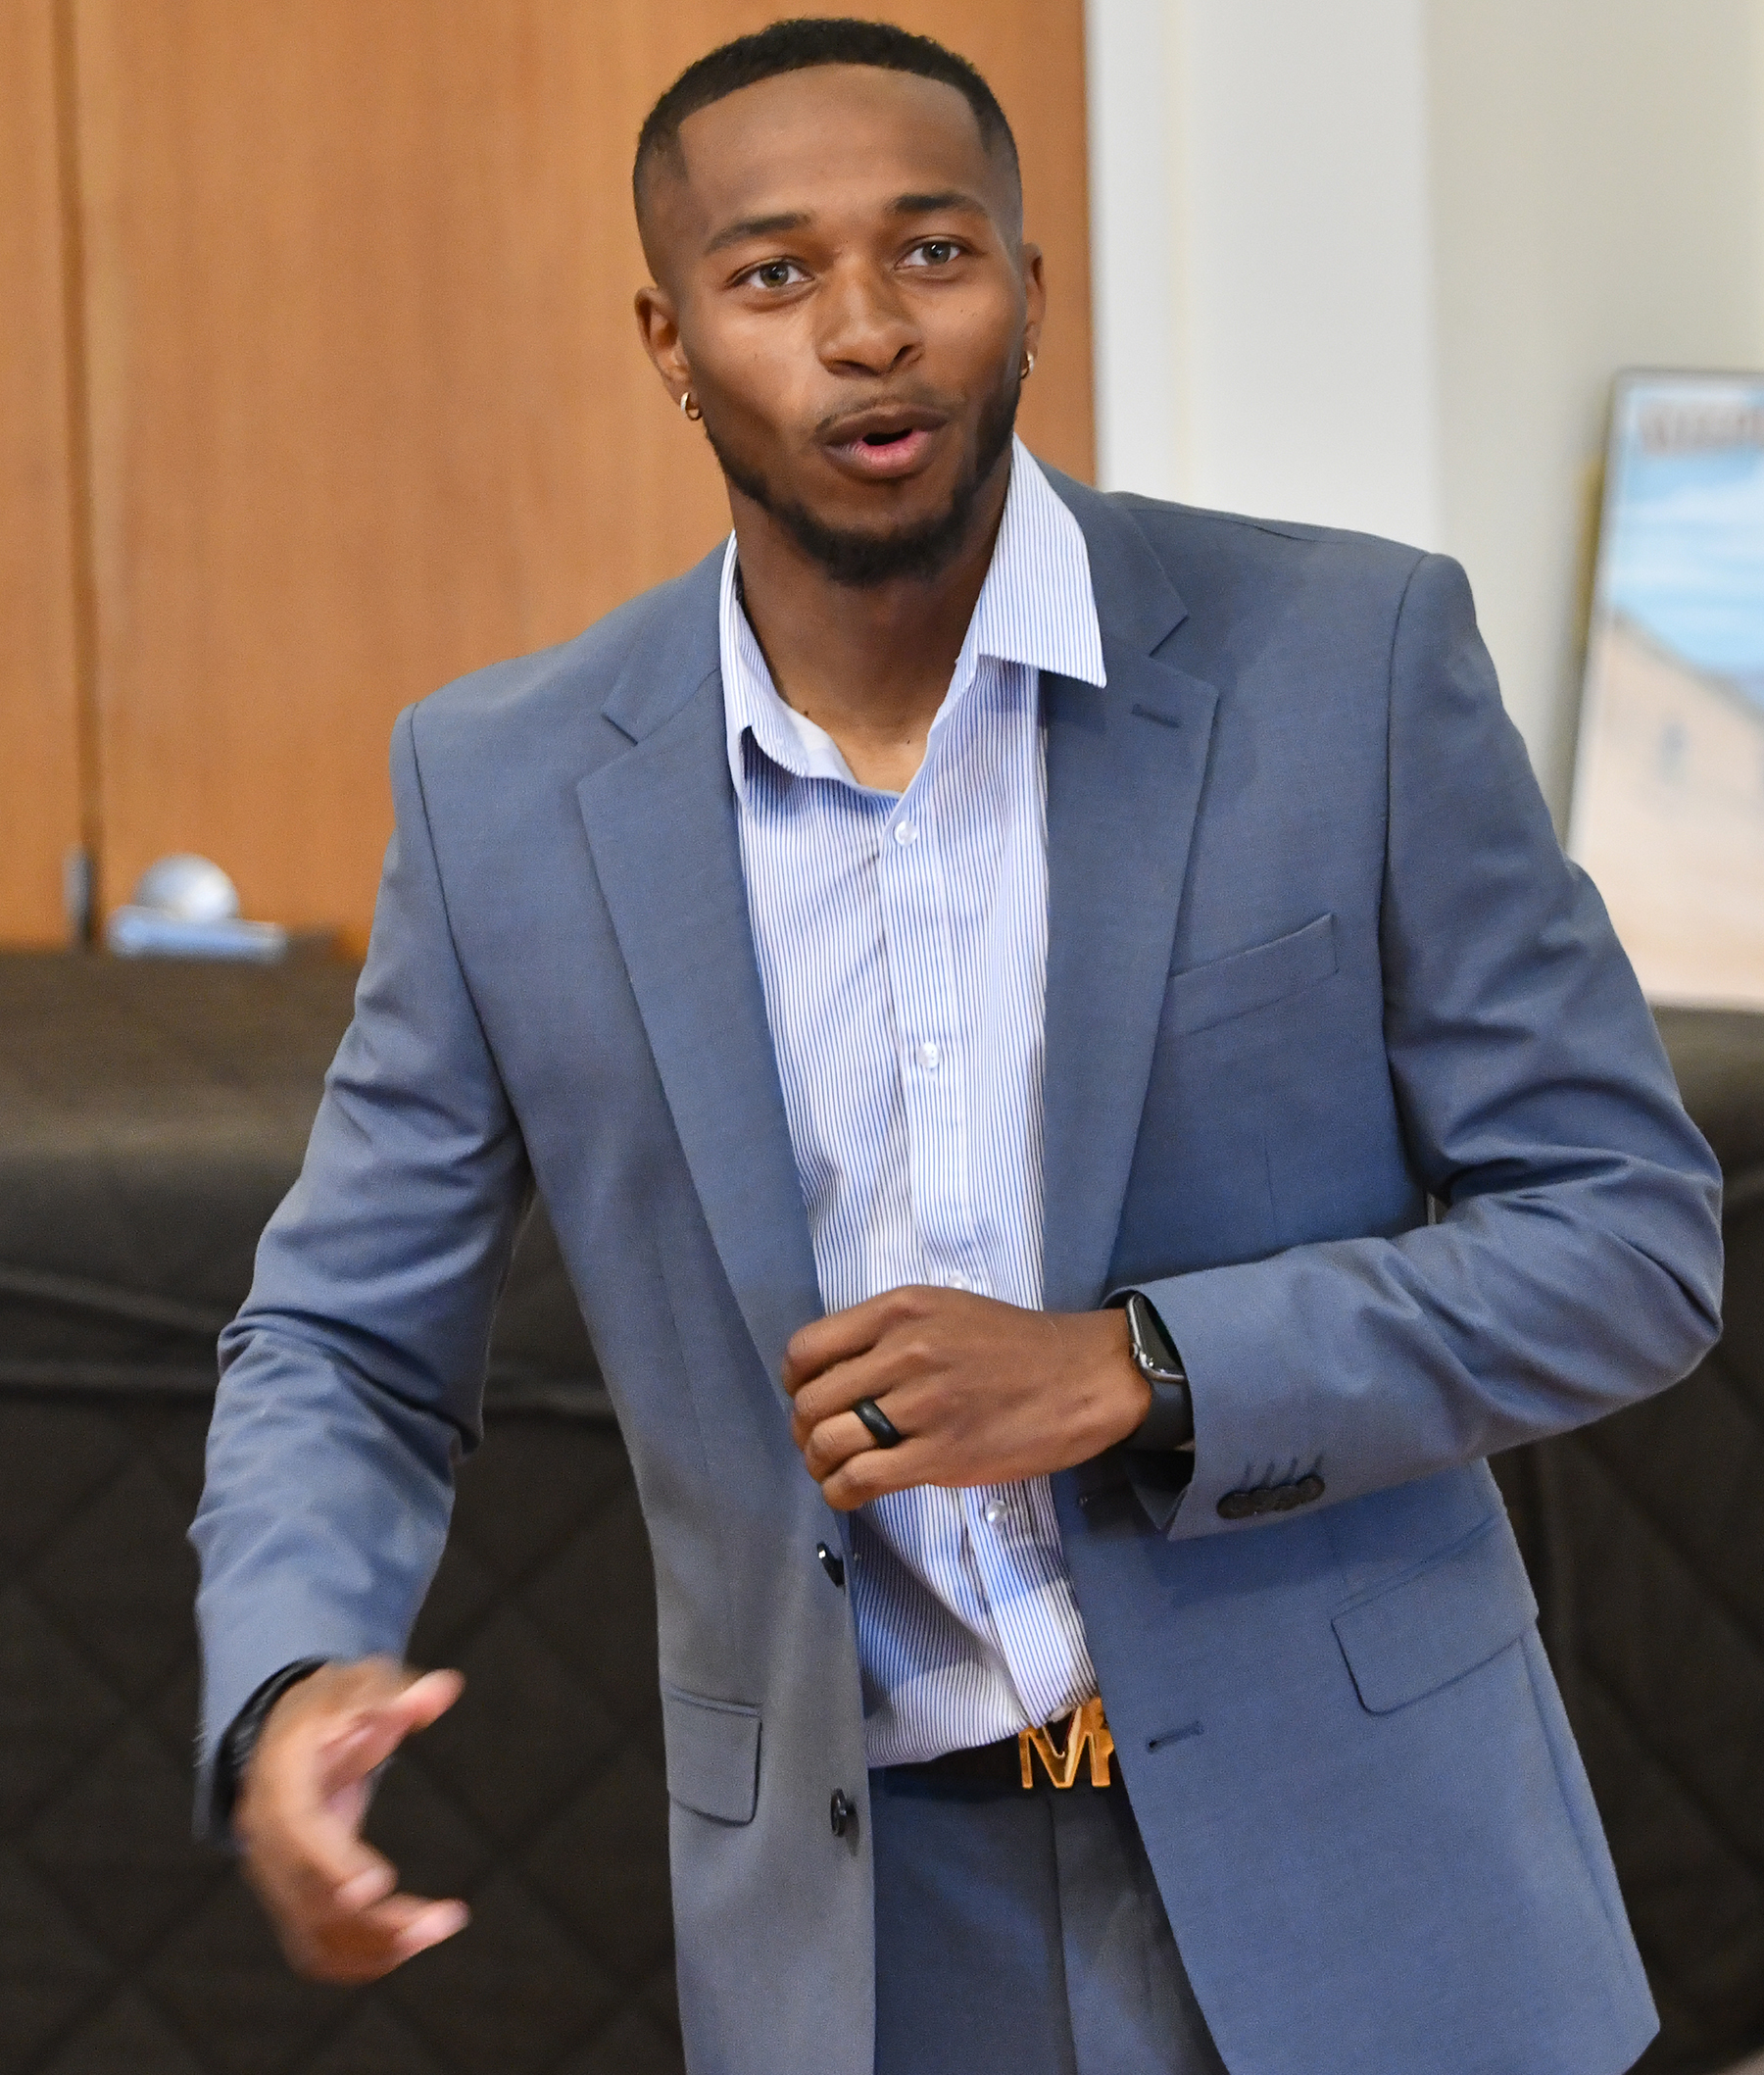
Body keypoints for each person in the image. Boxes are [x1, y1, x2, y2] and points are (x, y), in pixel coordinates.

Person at [191, 19, 1724, 2075]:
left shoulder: (1347, 663)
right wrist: (289, 1672)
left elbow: (1630, 1239)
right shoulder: (504, 794)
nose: (866, 330)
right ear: (668, 339)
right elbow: (340, 1339)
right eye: (773, 275)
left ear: (1028, 288)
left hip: (1379, 1887)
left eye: (932, 253)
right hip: (869, 1952)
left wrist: (1140, 1366)